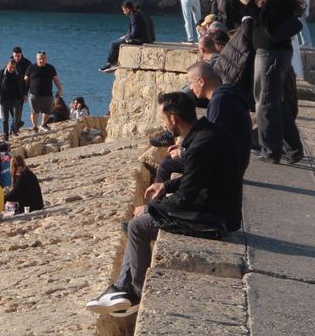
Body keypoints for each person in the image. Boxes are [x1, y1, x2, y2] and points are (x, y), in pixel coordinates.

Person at [85, 92, 243, 317]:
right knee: (135, 224)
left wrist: (150, 208)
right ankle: (120, 288)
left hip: (211, 218)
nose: (163, 125)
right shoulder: (209, 134)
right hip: (217, 208)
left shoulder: (200, 146)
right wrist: (165, 187)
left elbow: (186, 198)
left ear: (174, 119)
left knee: (138, 226)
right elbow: (197, 179)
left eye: (162, 119)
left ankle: (136, 294)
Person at [236, 0, 304, 164]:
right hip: (272, 54)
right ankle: (292, 148)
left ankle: (271, 150)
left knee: (265, 103)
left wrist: (249, 3)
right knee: (274, 103)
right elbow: (263, 21)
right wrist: (250, 3)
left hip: (271, 55)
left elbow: (267, 23)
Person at [100, 1, 146, 73]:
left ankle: (109, 64)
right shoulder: (135, 15)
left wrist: (126, 37)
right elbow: (132, 30)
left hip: (137, 40)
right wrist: (125, 36)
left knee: (113, 44)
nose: (124, 12)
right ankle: (115, 62)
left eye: (124, 10)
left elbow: (134, 33)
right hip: (139, 38)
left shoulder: (134, 17)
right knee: (119, 41)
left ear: (128, 9)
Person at [26, 51, 63, 132]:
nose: (41, 60)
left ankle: (43, 124)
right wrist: (24, 92)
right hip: (33, 94)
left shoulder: (51, 68)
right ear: (37, 59)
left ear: (46, 59)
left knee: (48, 111)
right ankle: (35, 127)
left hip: (48, 94)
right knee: (34, 111)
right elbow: (26, 80)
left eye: (43, 59)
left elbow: (56, 80)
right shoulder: (31, 68)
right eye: (40, 59)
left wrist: (60, 89)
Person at [0, 58, 24, 139]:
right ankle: (5, 135)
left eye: (14, 67)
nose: (12, 69)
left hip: (16, 98)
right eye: (10, 67)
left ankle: (13, 129)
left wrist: (25, 94)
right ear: (7, 66)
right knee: (5, 118)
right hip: (4, 99)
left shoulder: (18, 73)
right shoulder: (1, 73)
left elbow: (23, 85)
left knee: (17, 116)